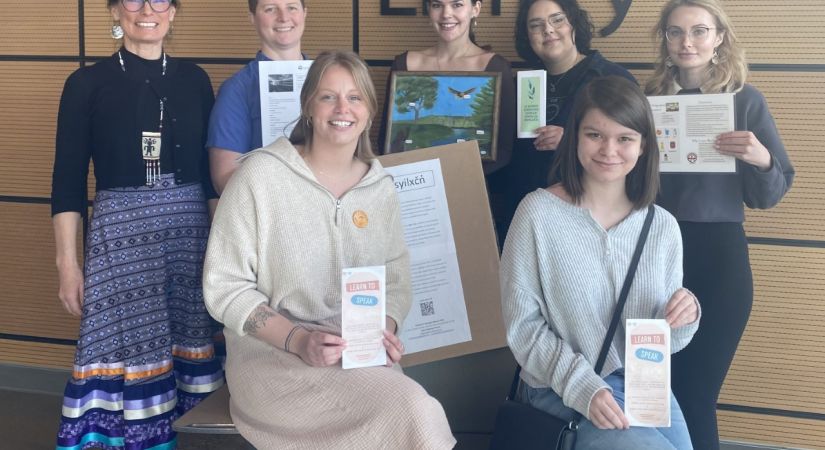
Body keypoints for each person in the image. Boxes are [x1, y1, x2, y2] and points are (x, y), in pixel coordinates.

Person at [202, 50, 456, 449]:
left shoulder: (380, 188)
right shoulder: (259, 176)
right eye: (328, 97)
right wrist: (298, 340)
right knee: (416, 413)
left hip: (356, 357)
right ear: (307, 106)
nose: (342, 109)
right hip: (273, 359)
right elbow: (224, 289)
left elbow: (397, 278)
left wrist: (385, 328)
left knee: (410, 412)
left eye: (355, 98)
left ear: (370, 110)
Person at [51, 0, 224, 448]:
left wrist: (222, 256)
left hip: (190, 236)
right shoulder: (86, 84)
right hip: (119, 239)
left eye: (160, 0)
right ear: (113, 10)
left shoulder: (196, 80)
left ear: (174, 11)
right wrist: (68, 266)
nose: (147, 9)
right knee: (118, 349)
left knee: (191, 340)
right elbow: (67, 184)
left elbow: (210, 180)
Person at [501, 76, 700, 450]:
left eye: (624, 138)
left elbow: (666, 340)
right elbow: (522, 329)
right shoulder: (538, 214)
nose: (609, 149)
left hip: (644, 386)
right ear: (575, 136)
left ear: (643, 146)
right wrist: (584, 388)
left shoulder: (662, 226)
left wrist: (685, 315)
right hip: (558, 388)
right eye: (595, 135)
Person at [644, 1, 795, 448]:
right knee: (651, 391)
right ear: (665, 41)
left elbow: (769, 194)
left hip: (719, 258)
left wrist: (759, 157)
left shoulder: (745, 100)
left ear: (719, 38)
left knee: (695, 393)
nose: (686, 42)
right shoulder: (648, 100)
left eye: (699, 31)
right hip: (655, 254)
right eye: (675, 32)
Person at [497, 0, 636, 240]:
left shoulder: (613, 78)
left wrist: (572, 140)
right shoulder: (521, 84)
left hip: (592, 218)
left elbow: (631, 145)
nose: (548, 30)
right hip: (527, 219)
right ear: (527, 36)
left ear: (573, 24)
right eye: (535, 25)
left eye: (557, 19)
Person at [379, 0, 515, 175]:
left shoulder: (495, 67)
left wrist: (452, 181)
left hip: (471, 188)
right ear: (429, 10)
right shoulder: (404, 64)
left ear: (475, 9)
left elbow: (503, 151)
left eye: (457, 5)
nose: (446, 14)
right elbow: (387, 142)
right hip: (412, 188)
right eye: (437, 5)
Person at [207, 0, 309, 194]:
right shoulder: (237, 89)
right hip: (270, 213)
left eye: (292, 7)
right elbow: (224, 178)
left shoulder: (327, 79)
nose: (283, 17)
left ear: (304, 13)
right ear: (252, 18)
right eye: (270, 9)